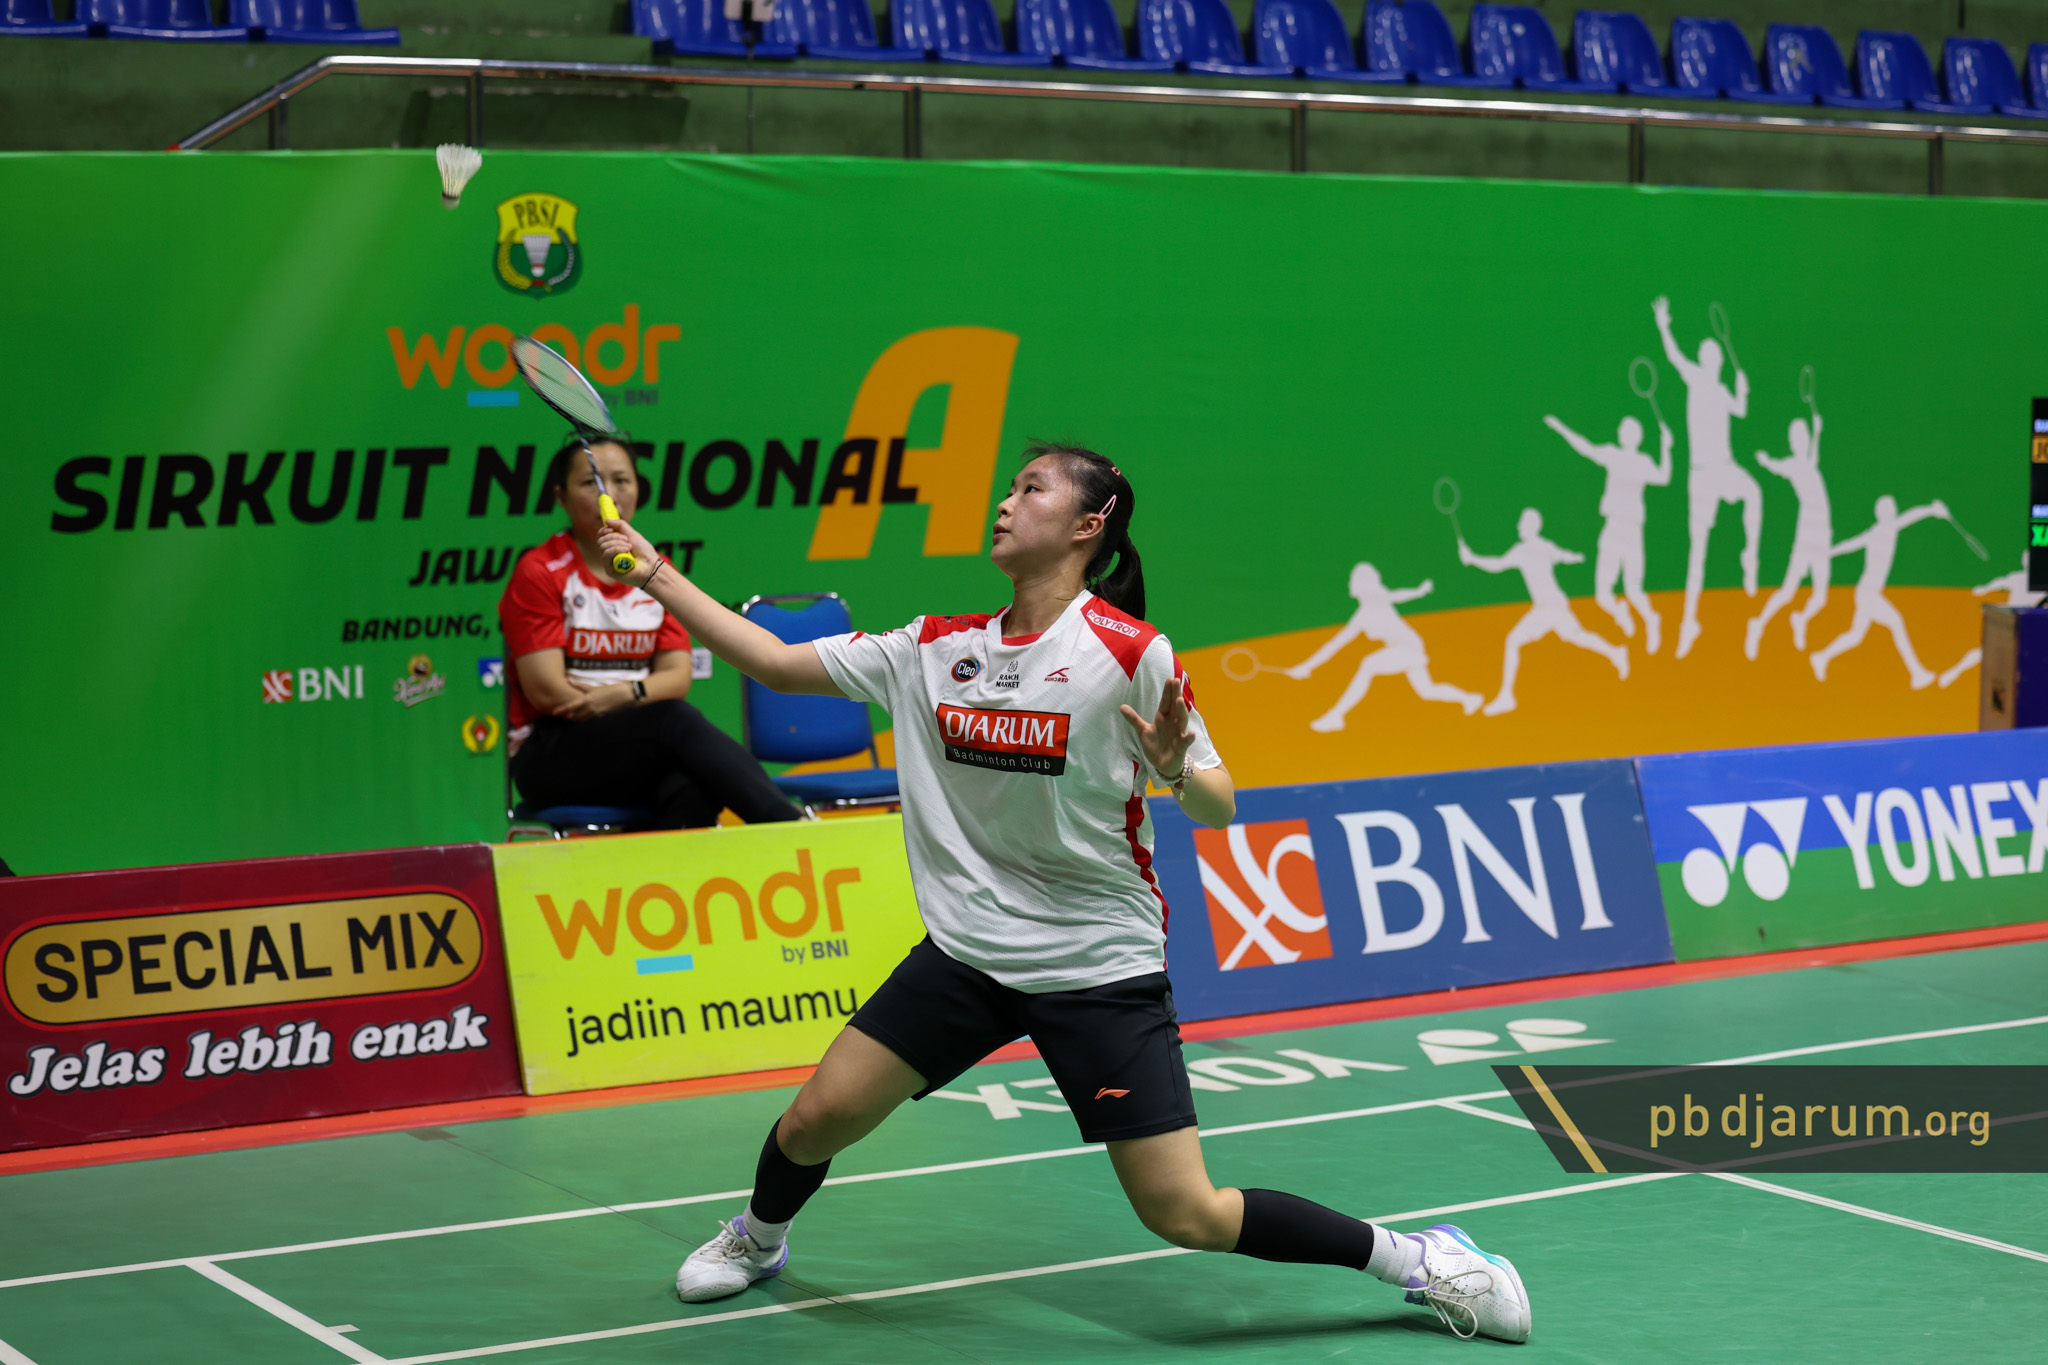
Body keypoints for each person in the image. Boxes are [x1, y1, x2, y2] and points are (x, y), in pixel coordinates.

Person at [595, 442, 1532, 1344]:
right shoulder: (934, 648)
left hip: (1096, 964)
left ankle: (1420, 1258)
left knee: (1185, 1210)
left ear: (1089, 524)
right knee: (815, 1117)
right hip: (969, 954)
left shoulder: (1130, 653)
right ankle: (758, 1237)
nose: (1006, 503)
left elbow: (1219, 801)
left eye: (1032, 488)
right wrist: (655, 573)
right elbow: (772, 660)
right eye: (1009, 487)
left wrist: (1174, 767)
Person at [499, 438, 799, 829]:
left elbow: (677, 677)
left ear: (638, 489)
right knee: (671, 721)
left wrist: (623, 694)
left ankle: (680, 873)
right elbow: (547, 690)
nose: (609, 494)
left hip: (638, 740)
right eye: (591, 483)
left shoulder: (654, 570)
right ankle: (789, 827)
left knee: (691, 785)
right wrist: (636, 698)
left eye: (622, 480)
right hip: (551, 751)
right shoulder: (540, 571)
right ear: (562, 497)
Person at [1654, 296, 1760, 658]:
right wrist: (1663, 326)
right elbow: (1673, 356)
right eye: (1706, 354)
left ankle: (1749, 557)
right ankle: (1689, 624)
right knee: (1697, 555)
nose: (1710, 358)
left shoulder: (1722, 389)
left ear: (1719, 361)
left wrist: (1743, 390)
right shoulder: (1696, 378)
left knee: (1754, 493)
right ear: (1702, 360)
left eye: (1714, 355)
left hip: (1725, 468)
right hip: (1700, 477)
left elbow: (1741, 411)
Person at [1459, 507, 1628, 716]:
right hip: (1556, 605)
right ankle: (1616, 652)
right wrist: (1575, 557)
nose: (1518, 526)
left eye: (1521, 523)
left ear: (1530, 526)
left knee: (1513, 641)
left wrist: (1472, 559)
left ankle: (1507, 697)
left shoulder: (1522, 550)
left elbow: (1497, 565)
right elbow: (1563, 555)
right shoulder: (1545, 546)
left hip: (1547, 609)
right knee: (1578, 636)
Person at [1284, 563, 1483, 729]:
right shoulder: (1362, 616)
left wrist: (1419, 591)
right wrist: (1306, 666)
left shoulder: (1377, 601)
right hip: (1407, 647)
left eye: (1354, 580)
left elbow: (1396, 595)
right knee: (1427, 690)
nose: (1350, 583)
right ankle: (1469, 698)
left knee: (1367, 665)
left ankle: (1336, 716)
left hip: (1408, 647)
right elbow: (1335, 644)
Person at [1543, 410, 1673, 653]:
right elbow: (1585, 448)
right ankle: (1620, 613)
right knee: (1602, 595)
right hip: (1612, 528)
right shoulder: (1612, 455)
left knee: (1634, 590)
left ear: (1636, 437)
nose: (1623, 433)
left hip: (1632, 531)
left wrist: (1667, 448)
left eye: (1627, 430)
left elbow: (1663, 478)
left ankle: (1652, 620)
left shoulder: (1643, 462)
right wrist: (1560, 428)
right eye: (1622, 430)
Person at [1809, 494, 1950, 689]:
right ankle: (1917, 673)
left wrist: (1828, 553)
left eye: (1894, 507)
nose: (1894, 510)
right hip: (1868, 593)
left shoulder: (1876, 532)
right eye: (1889, 508)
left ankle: (1821, 657)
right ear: (1881, 513)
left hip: (1866, 592)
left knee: (1856, 635)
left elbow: (1851, 544)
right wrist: (1932, 510)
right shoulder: (1885, 529)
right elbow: (1910, 517)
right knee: (1897, 622)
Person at [1745, 410, 1833, 660]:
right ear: (1793, 442)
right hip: (1807, 535)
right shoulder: (1793, 465)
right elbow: (1777, 466)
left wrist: (1818, 432)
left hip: (1823, 534)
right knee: (1788, 592)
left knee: (1821, 597)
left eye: (1804, 436)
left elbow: (1814, 456)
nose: (1801, 440)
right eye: (1797, 437)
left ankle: (1800, 619)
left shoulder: (1809, 463)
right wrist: (1765, 461)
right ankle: (1758, 624)